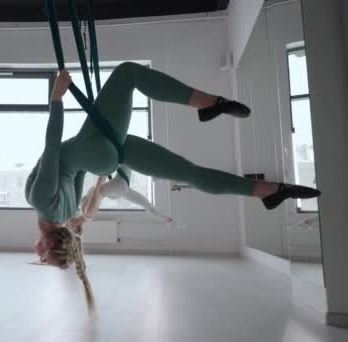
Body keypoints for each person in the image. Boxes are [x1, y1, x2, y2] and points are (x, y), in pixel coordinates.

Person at [27, 62, 321, 312]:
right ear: (50, 244)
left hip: (100, 154)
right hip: (92, 150)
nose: (36, 253)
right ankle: (206, 103)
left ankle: (264, 192)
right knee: (128, 72)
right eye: (42, 256)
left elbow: (75, 174)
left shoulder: (64, 214)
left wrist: (96, 150)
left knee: (188, 173)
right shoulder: (41, 201)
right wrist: (57, 96)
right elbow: (52, 147)